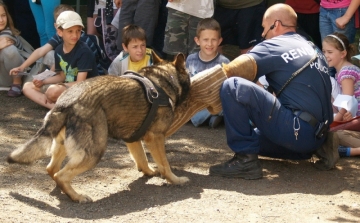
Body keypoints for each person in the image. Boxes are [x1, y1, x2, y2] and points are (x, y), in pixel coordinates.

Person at [209, 3, 338, 179]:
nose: (263, 35)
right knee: (251, 137)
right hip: (317, 136)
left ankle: (245, 161)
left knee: (232, 86)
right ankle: (317, 148)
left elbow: (231, 70)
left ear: (275, 25)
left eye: (264, 29)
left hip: (295, 130)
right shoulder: (313, 47)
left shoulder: (274, 45)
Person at [20, 11, 99, 109]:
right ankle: (57, 108)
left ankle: (63, 109)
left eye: (78, 31)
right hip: (68, 89)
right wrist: (43, 82)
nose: (75, 35)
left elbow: (80, 83)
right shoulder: (58, 50)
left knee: (53, 91)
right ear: (60, 32)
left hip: (85, 91)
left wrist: (57, 86)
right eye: (70, 31)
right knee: (27, 87)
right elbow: (62, 76)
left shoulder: (84, 52)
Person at [10, 4, 108, 79]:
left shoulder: (81, 39)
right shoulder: (60, 36)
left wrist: (48, 77)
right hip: (70, 73)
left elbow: (72, 63)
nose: (73, 33)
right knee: (48, 56)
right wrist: (22, 67)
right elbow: (40, 51)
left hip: (89, 77)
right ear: (57, 27)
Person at [186, 18, 229, 128]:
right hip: (197, 103)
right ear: (197, 40)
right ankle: (214, 117)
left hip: (216, 101)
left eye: (214, 40)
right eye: (205, 40)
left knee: (228, 105)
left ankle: (213, 116)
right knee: (193, 115)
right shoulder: (191, 60)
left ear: (219, 41)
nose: (209, 44)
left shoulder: (224, 62)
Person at [322, 32, 360, 157]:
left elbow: (347, 99)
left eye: (330, 52)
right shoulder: (342, 72)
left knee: (332, 133)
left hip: (356, 118)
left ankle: (352, 151)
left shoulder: (346, 72)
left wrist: (337, 119)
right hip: (352, 117)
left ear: (343, 54)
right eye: (324, 52)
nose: (326, 55)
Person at [0, 1, 24, 97]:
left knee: (9, 49)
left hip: (8, 76)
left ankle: (17, 83)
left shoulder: (7, 33)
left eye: (3, 15)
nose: (1, 20)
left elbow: (5, 41)